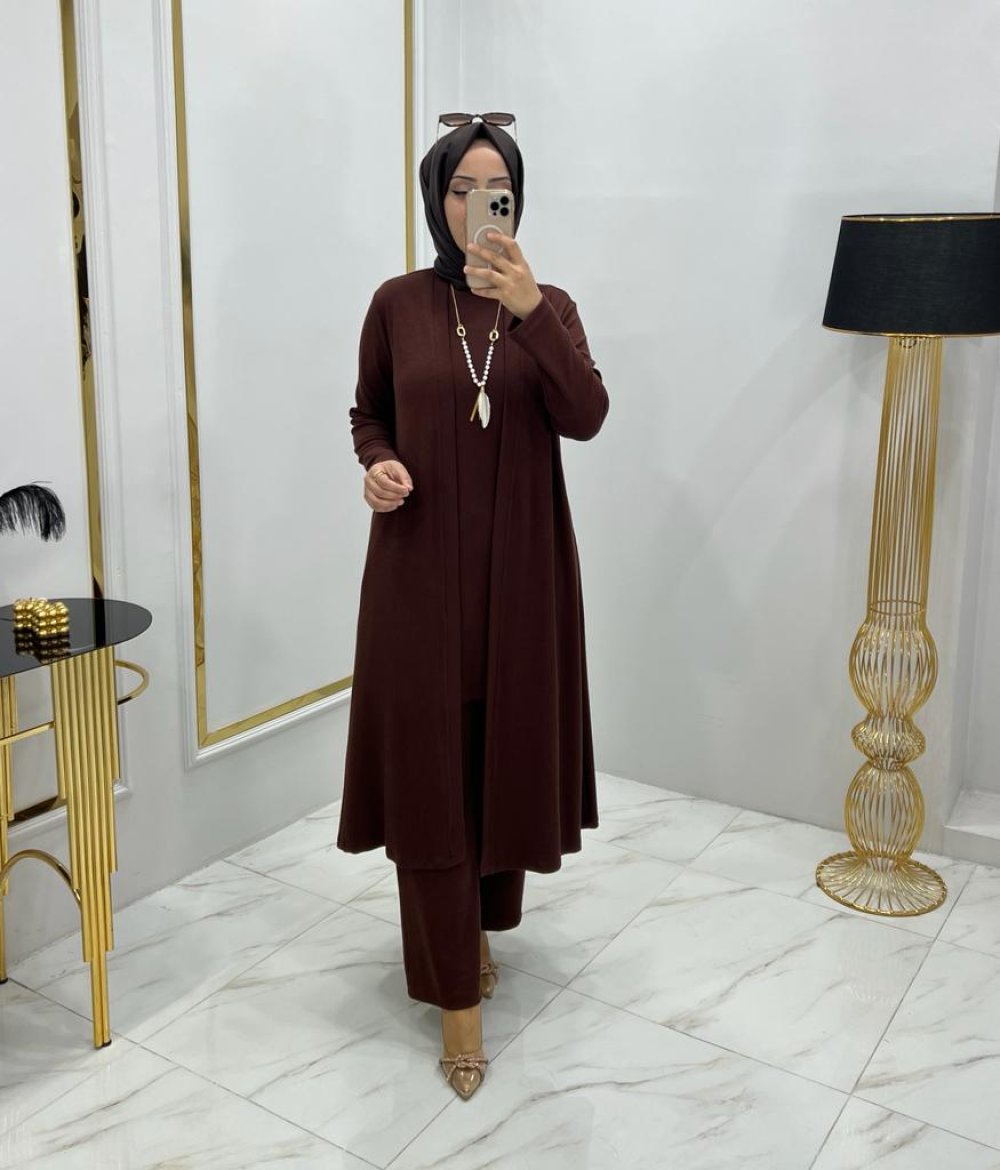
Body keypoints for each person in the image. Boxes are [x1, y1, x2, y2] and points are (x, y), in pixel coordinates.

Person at [337, 112, 608, 1100]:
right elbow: (369, 411)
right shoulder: (397, 303)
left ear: (516, 202)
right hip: (417, 577)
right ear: (435, 197)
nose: (475, 207)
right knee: (429, 774)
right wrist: (377, 464)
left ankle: (480, 934)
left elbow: (586, 416)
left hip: (524, 578)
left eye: (495, 191)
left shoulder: (552, 306)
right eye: (459, 189)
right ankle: (455, 999)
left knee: (503, 755)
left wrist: (530, 309)